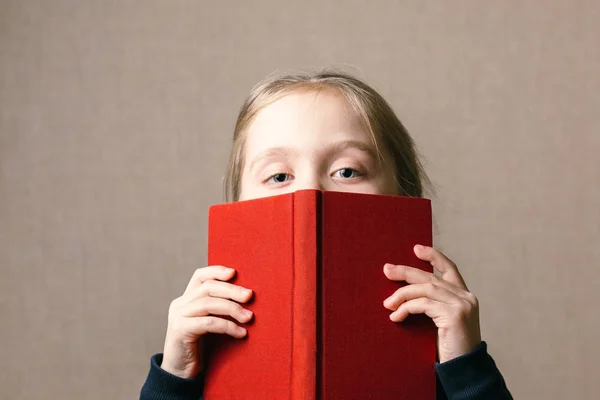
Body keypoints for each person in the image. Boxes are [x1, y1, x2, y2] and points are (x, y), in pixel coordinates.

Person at [140, 71, 513, 400]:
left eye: (348, 171)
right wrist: (174, 378)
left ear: (404, 196)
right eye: (279, 176)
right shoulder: (207, 354)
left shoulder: (448, 361)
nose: (310, 194)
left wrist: (466, 367)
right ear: (237, 205)